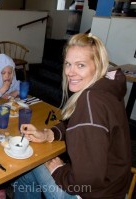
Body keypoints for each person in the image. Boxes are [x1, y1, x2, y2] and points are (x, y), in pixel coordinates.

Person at [13, 33, 131, 198]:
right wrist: (48, 133)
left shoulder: (91, 101)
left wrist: (59, 170)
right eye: (68, 64)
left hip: (90, 194)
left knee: (28, 162)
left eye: (80, 65)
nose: (70, 72)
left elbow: (88, 178)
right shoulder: (106, 88)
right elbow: (79, 124)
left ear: (97, 66)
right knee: (28, 174)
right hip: (116, 188)